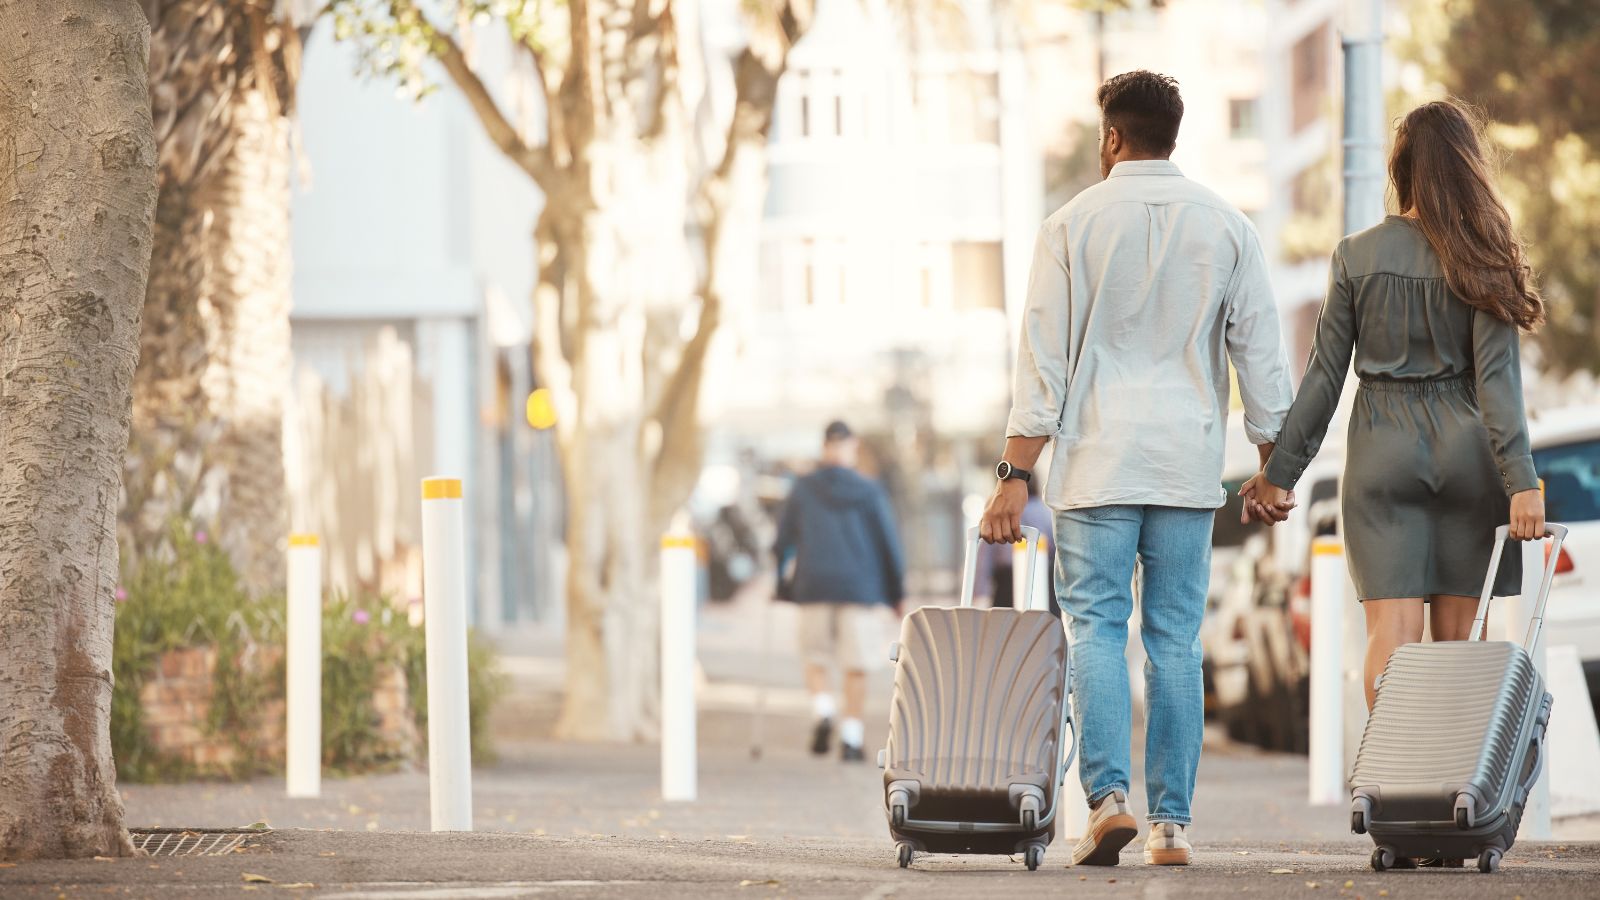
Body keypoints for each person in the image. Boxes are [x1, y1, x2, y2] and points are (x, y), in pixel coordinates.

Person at [980, 70, 1293, 867]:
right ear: (1174, 134)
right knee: (1176, 643)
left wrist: (1013, 477)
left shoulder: (1068, 226)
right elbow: (1261, 356)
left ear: (1113, 137)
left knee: (1095, 630)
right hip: (1187, 469)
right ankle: (1172, 827)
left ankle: (1109, 800)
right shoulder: (1228, 227)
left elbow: (1041, 363)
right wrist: (1271, 466)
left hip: (1097, 465)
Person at [1242, 99, 1547, 714]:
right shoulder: (1483, 258)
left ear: (1400, 171)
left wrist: (1279, 475)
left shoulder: (1356, 255)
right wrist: (1523, 483)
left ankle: (1394, 792)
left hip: (1382, 455)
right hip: (1468, 458)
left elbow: (1325, 378)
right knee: (1464, 645)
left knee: (1394, 641)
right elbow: (1497, 386)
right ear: (1467, 169)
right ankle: (1459, 791)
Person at [774, 421, 906, 763]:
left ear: (824, 447)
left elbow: (782, 540)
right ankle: (850, 738)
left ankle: (823, 710)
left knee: (815, 657)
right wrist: (896, 593)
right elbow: (887, 543)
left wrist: (780, 581)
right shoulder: (869, 490)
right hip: (859, 587)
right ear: (852, 446)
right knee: (857, 663)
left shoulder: (803, 487)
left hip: (813, 584)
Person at [975, 477, 1059, 615]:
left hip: (1005, 587)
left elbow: (984, 559)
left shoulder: (998, 514)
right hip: (1042, 582)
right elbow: (1057, 551)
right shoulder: (1045, 511)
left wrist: (979, 592)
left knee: (1006, 633)